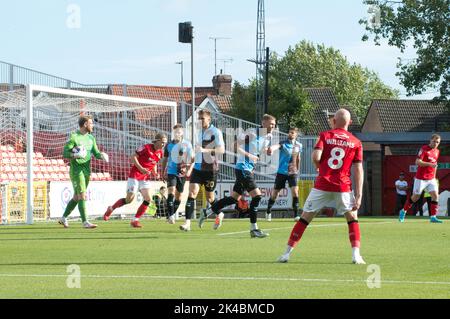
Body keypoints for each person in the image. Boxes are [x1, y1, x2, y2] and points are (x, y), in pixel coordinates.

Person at [277, 109, 365, 264]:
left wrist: (319, 167)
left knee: (305, 218)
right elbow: (358, 169)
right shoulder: (356, 142)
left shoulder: (325, 136)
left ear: (334, 121)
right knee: (352, 219)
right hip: (343, 186)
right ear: (350, 123)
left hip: (322, 184)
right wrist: (358, 195)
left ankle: (286, 254)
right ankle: (356, 255)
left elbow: (315, 157)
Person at [200, 114, 276, 238]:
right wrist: (249, 156)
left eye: (274, 124)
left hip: (249, 169)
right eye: (271, 123)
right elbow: (234, 146)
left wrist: (266, 150)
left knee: (234, 198)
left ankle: (207, 211)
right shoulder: (252, 133)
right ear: (263, 123)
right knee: (257, 197)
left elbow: (258, 150)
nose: (273, 126)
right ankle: (254, 229)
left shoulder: (268, 136)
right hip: (242, 168)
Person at [103, 133, 168, 228]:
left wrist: (155, 173)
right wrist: (141, 168)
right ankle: (111, 208)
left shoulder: (160, 153)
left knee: (148, 199)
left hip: (145, 178)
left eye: (165, 143)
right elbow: (133, 157)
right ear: (156, 140)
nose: (163, 145)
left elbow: (154, 163)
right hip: (135, 176)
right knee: (129, 200)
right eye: (162, 142)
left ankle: (135, 220)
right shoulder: (145, 147)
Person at [59, 115, 109, 229]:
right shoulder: (74, 137)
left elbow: (95, 153)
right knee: (82, 195)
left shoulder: (91, 138)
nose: (93, 125)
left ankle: (63, 218)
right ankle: (85, 222)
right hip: (76, 170)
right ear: (85, 124)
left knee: (77, 197)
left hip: (87, 170)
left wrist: (102, 155)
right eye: (91, 123)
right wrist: (75, 154)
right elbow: (65, 153)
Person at [179, 109, 225, 231]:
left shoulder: (216, 132)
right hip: (198, 167)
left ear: (209, 119)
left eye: (202, 118)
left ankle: (219, 213)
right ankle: (187, 223)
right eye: (198, 119)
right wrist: (189, 163)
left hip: (210, 168)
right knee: (192, 192)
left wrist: (205, 150)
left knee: (210, 198)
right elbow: (197, 151)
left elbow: (221, 150)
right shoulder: (198, 133)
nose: (200, 121)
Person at [399, 134, 442, 223]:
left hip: (431, 179)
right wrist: (430, 164)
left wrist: (434, 176)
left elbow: (435, 165)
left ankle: (433, 217)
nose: (435, 143)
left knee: (435, 196)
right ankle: (403, 211)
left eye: (437, 142)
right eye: (434, 141)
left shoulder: (437, 151)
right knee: (416, 197)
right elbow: (417, 162)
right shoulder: (424, 149)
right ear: (430, 140)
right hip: (421, 178)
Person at [265, 127, 302, 222]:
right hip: (281, 172)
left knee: (295, 192)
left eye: (292, 133)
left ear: (296, 134)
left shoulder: (299, 145)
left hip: (292, 172)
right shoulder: (283, 143)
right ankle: (268, 211)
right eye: (289, 132)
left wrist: (297, 169)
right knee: (275, 193)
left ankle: (296, 215)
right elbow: (276, 146)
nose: (290, 134)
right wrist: (271, 149)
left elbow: (298, 158)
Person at [160, 124, 194, 224]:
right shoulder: (169, 145)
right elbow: (165, 159)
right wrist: (162, 172)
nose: (177, 134)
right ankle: (171, 216)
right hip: (171, 171)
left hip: (182, 173)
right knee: (171, 192)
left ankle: (171, 215)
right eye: (175, 132)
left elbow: (193, 159)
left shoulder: (187, 144)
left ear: (182, 133)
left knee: (179, 197)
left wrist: (189, 170)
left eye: (179, 132)